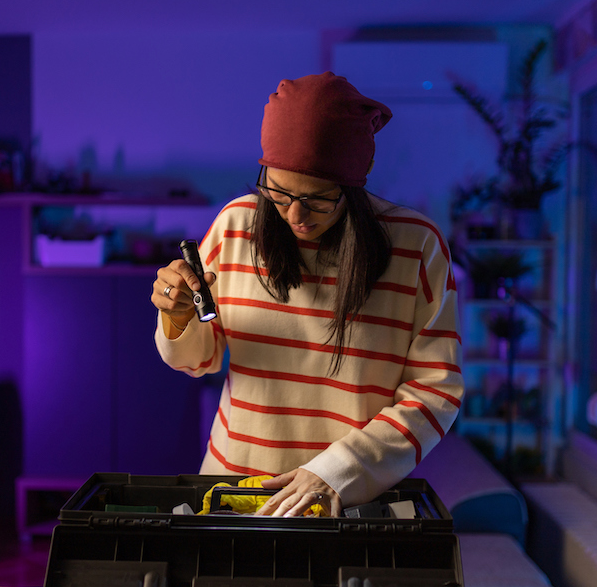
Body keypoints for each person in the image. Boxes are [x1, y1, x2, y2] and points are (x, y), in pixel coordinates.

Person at [151, 72, 463, 517]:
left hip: (347, 500)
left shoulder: (417, 246)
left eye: (318, 199)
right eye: (277, 192)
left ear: (356, 183)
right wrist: (177, 315)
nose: (295, 215)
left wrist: (335, 471)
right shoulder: (236, 225)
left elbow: (437, 392)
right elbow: (200, 359)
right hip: (230, 491)